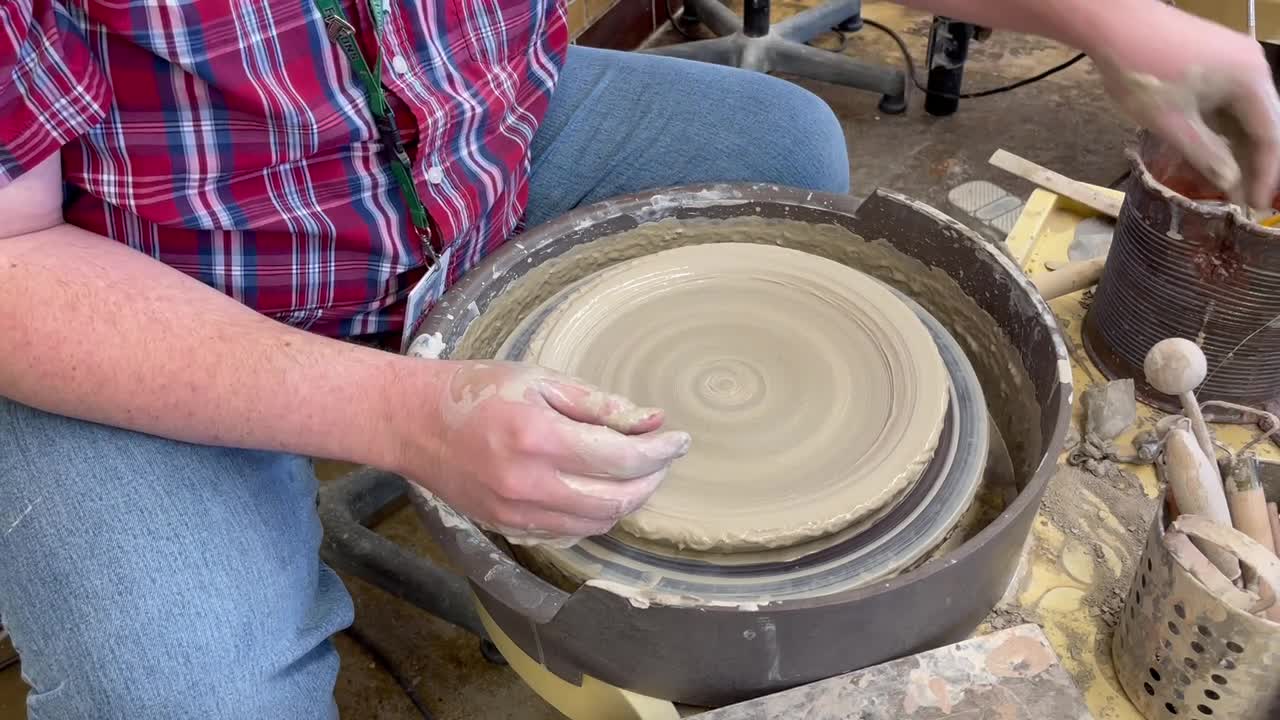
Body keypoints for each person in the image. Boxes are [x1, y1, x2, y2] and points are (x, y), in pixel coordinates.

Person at [0, 0, 1275, 715]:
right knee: (181, 697)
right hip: (129, 271)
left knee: (782, 160)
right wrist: (398, 412)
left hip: (469, 151)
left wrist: (1111, 22)